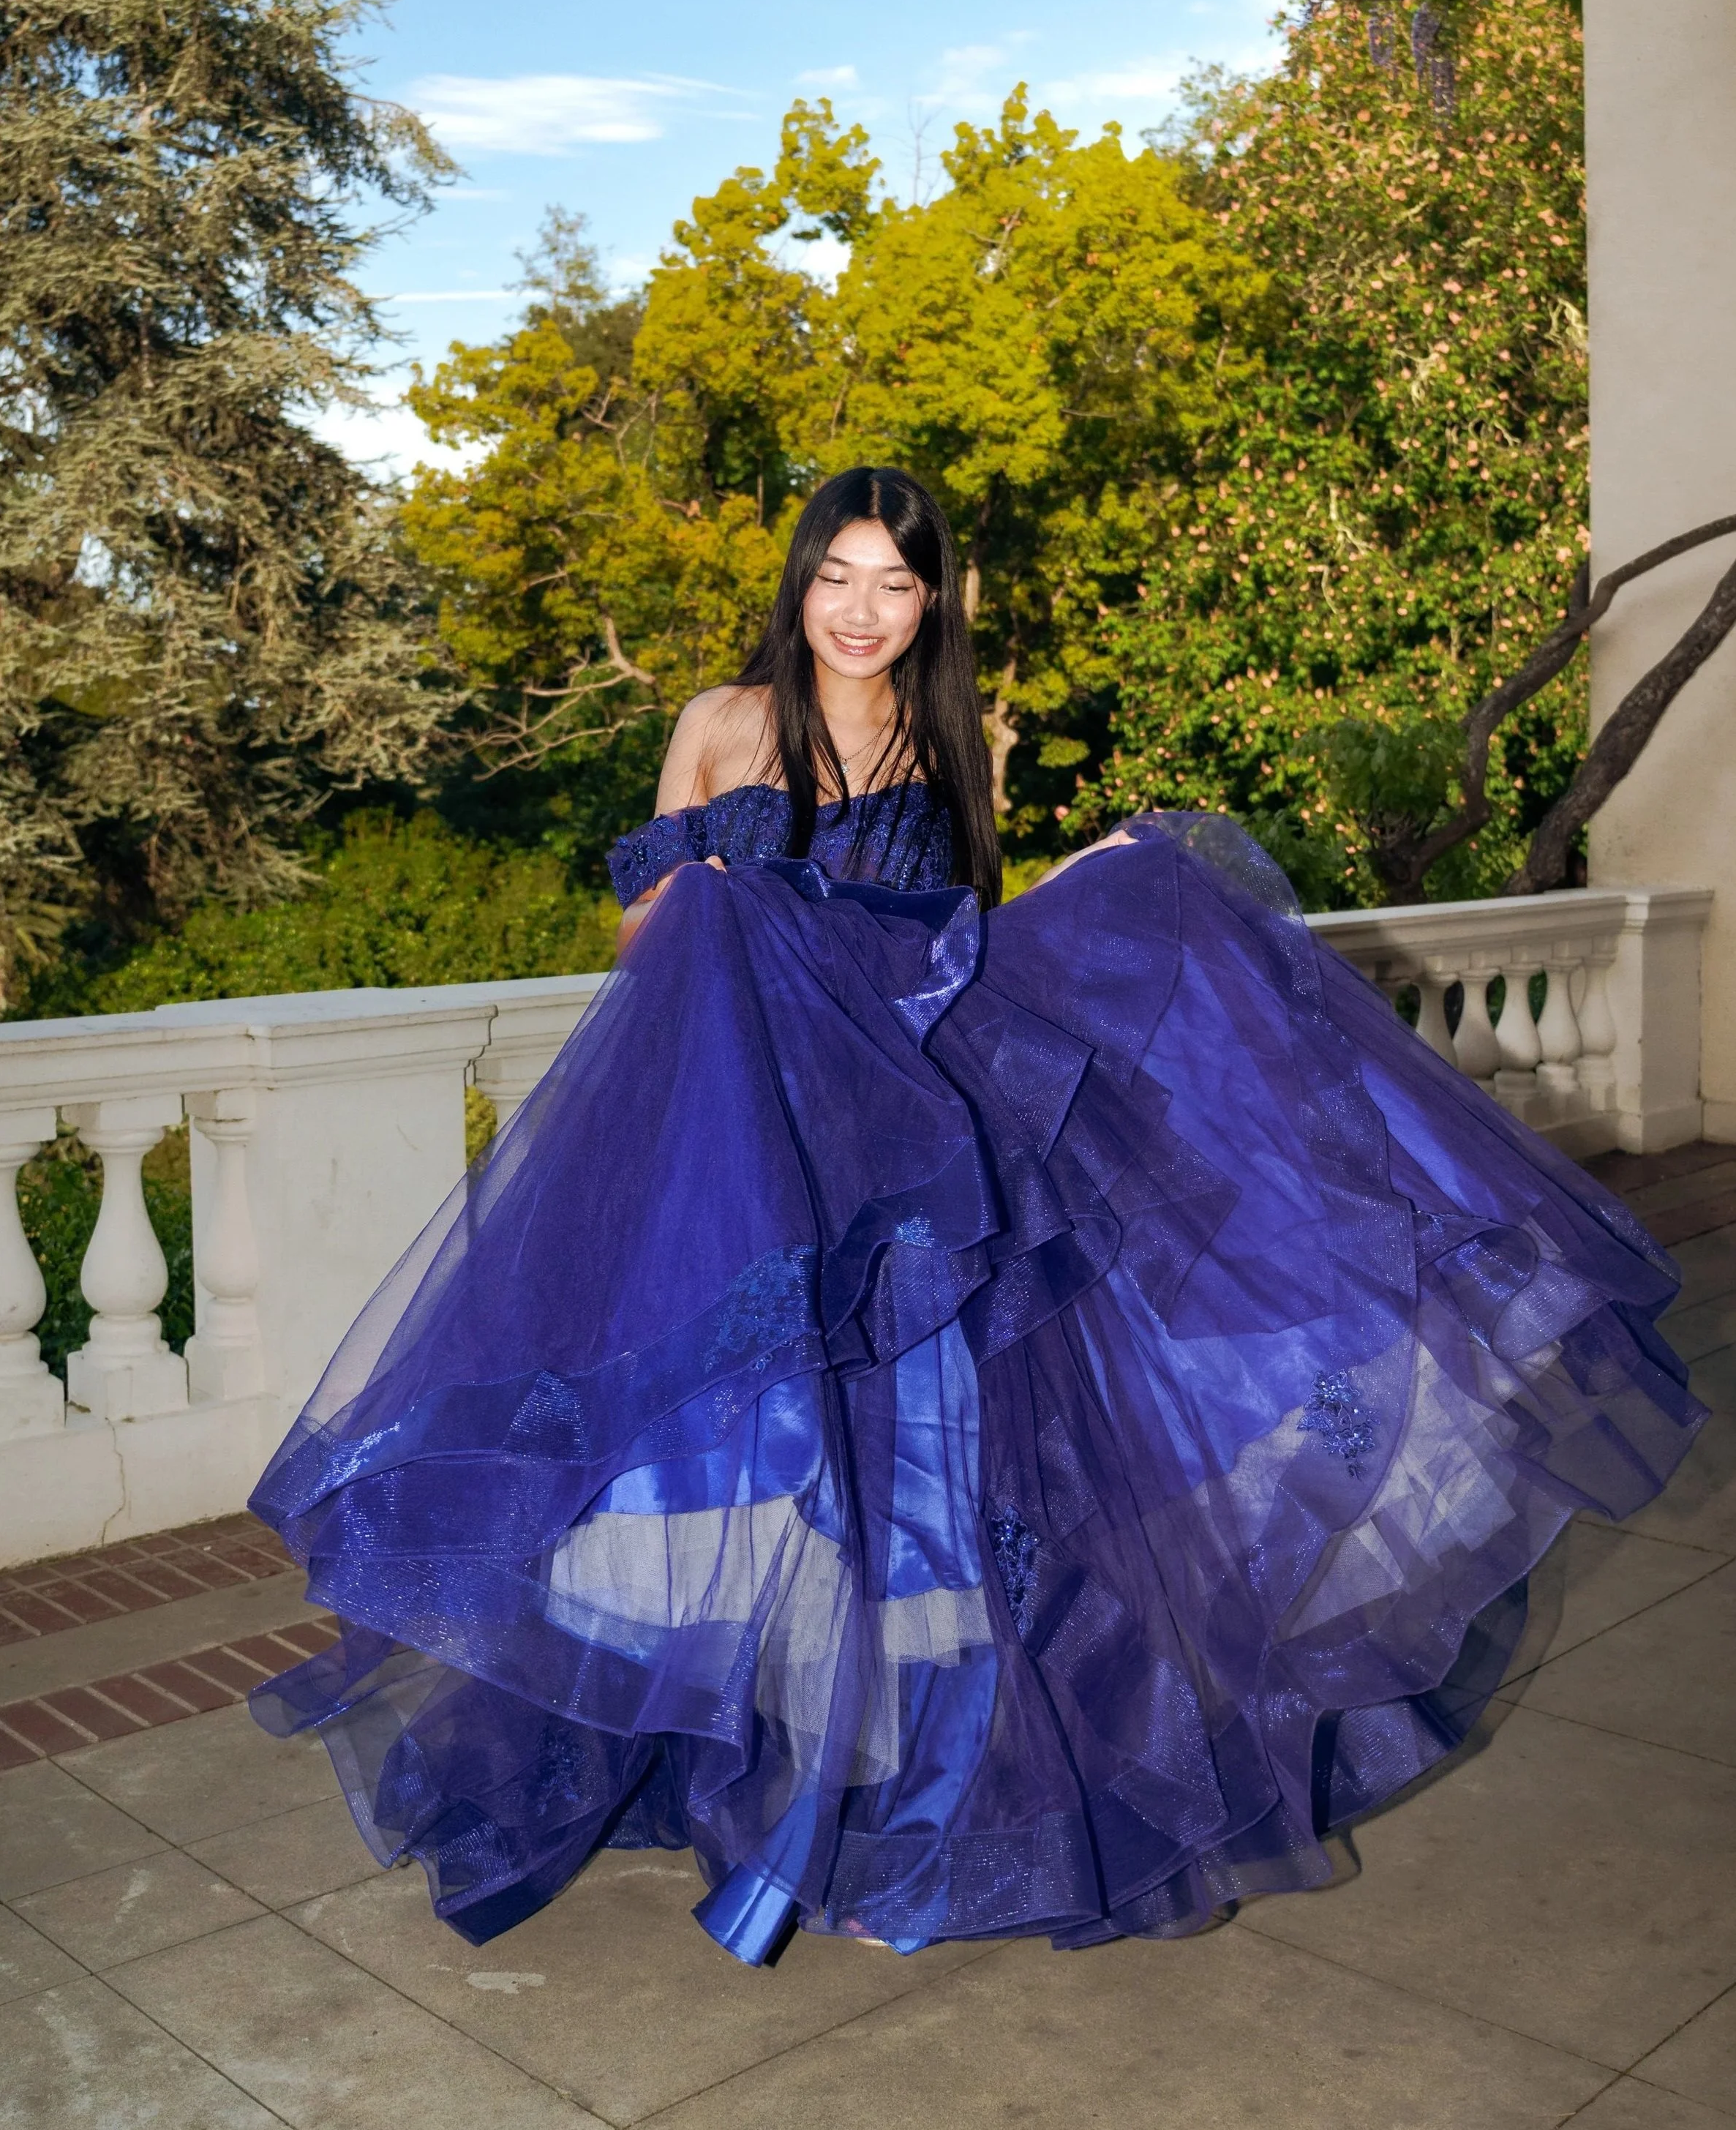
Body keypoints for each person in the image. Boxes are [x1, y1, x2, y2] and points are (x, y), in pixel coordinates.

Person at [250, 465, 1705, 1962]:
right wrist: (734, 900)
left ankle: (886, 1800)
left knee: (917, 1481)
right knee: (731, 1459)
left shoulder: (948, 744)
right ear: (796, 579)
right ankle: (724, 1769)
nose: (859, 611)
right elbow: (646, 937)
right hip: (748, 1130)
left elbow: (957, 958)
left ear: (930, 598)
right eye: (835, 576)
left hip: (894, 1144)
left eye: (892, 582)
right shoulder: (720, 722)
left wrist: (1098, 882)